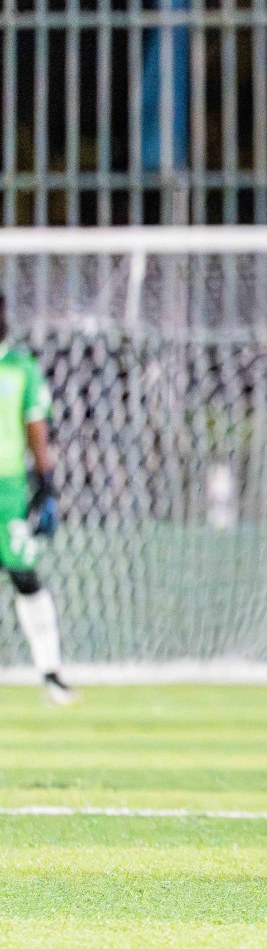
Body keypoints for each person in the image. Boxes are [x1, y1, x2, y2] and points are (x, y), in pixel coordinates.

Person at [0, 299, 74, 705]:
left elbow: (35, 425)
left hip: (7, 491)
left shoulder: (19, 366)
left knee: (24, 576)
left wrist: (46, 484)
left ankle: (51, 672)